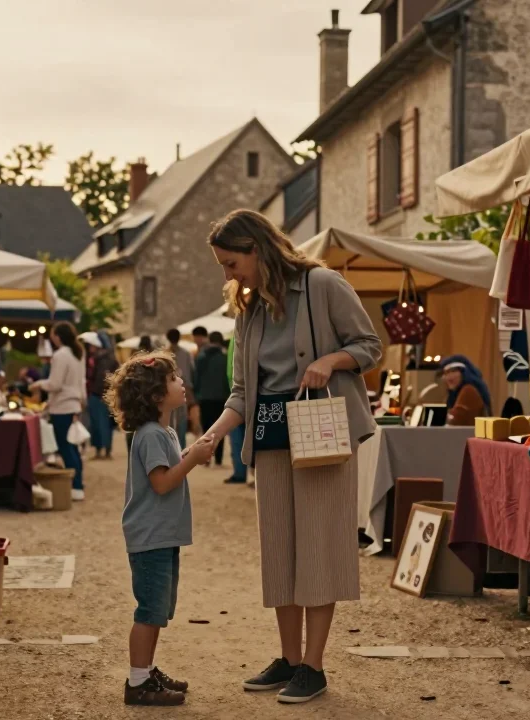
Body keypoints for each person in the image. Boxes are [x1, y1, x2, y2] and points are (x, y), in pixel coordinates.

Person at [201, 209, 381, 704]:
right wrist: (210, 438)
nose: (228, 274)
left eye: (231, 263)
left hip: (321, 431)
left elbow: (369, 346)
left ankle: (313, 667)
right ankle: (288, 658)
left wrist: (330, 361)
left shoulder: (323, 285)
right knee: (280, 550)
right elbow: (242, 392)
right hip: (270, 433)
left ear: (257, 249)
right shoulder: (248, 309)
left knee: (319, 547)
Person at [104, 350, 214, 706]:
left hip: (160, 536)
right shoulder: (152, 434)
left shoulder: (162, 432)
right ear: (155, 396)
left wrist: (190, 452)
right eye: (172, 379)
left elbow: (167, 469)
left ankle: (146, 671)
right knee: (149, 612)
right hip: (151, 537)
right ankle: (137, 681)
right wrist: (192, 460)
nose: (181, 382)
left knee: (157, 610)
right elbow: (162, 483)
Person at [31, 321, 88, 501]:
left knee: (66, 447)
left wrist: (38, 384)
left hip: (62, 406)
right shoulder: (78, 354)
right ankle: (78, 484)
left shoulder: (60, 355)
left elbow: (55, 384)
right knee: (73, 447)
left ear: (58, 336)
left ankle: (75, 485)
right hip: (74, 404)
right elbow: (81, 382)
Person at [193, 330, 230, 468]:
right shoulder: (225, 357)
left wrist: (197, 393)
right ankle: (218, 459)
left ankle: (206, 458)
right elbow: (227, 378)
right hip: (221, 397)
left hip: (205, 397)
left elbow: (196, 377)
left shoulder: (201, 357)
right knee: (220, 428)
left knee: (207, 428)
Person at [82, 331, 118, 460]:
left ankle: (105, 450)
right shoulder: (97, 358)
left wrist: (105, 392)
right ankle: (101, 450)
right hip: (98, 395)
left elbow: (107, 379)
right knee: (98, 425)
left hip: (101, 396)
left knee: (103, 425)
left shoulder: (105, 360)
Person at [439, 355, 491, 426]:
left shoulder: (469, 390)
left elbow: (456, 420)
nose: (449, 377)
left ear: (464, 373)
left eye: (453, 371)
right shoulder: (456, 394)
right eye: (446, 373)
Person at [165, 328, 195, 450]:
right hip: (183, 390)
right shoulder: (186, 353)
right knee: (181, 420)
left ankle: (170, 449)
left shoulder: (163, 354)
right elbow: (190, 373)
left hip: (167, 392)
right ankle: (180, 450)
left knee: (168, 421)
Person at [226, 334, 249, 485]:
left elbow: (230, 371)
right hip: (256, 395)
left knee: (237, 439)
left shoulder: (236, 335)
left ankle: (240, 474)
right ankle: (253, 474)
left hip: (237, 396)